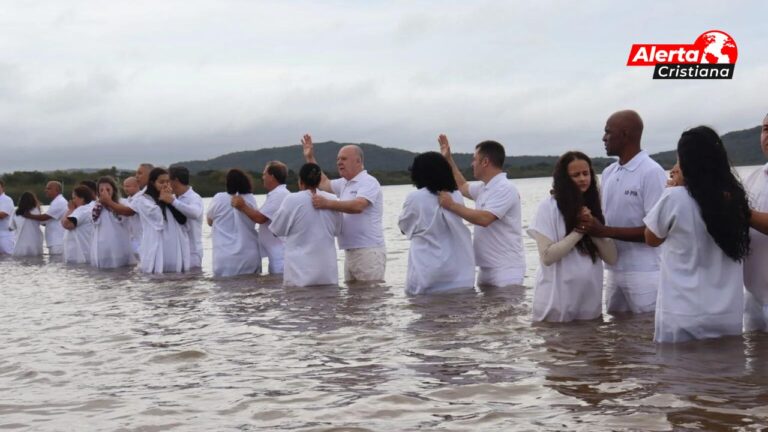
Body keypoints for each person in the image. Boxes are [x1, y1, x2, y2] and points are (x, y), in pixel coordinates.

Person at [644, 126, 750, 343]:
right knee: (725, 375)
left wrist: (672, 187)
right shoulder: (734, 198)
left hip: (683, 313)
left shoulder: (674, 198)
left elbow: (651, 238)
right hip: (727, 314)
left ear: (685, 162)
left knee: (681, 374)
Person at [585, 110, 667, 314]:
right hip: (613, 269)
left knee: (645, 338)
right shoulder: (609, 172)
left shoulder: (651, 172)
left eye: (608, 132)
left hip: (645, 272)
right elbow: (601, 217)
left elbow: (656, 231)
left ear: (625, 134)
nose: (603, 138)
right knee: (617, 336)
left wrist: (605, 231)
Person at [527, 152, 617, 322]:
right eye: (576, 175)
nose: (583, 179)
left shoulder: (595, 207)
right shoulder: (548, 208)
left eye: (586, 173)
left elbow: (611, 258)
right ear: (564, 179)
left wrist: (593, 226)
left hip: (589, 305)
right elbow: (547, 256)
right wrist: (579, 230)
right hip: (556, 304)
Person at [437, 135, 526, 287]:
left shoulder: (505, 188)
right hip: (486, 267)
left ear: (485, 162)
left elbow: (485, 219)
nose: (472, 164)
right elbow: (462, 186)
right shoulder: (485, 187)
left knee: (507, 311)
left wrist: (452, 206)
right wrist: (448, 159)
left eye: (474, 159)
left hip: (506, 269)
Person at [301, 135, 386, 282]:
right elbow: (323, 182)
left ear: (358, 161)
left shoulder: (368, 181)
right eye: (338, 159)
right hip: (350, 251)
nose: (339, 162)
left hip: (368, 250)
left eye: (344, 159)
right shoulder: (344, 183)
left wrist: (327, 203)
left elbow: (359, 205)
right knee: (351, 301)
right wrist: (310, 157)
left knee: (371, 300)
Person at [398, 152, 475, 295]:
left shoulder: (415, 197)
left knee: (426, 313)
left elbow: (404, 227)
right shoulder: (456, 195)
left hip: (427, 270)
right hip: (458, 271)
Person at [269, 163, 342, 287]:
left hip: (299, 275)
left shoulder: (292, 199)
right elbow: (338, 230)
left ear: (300, 181)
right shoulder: (332, 199)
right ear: (319, 181)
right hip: (327, 274)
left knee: (299, 305)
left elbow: (276, 230)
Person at [232, 161, 291, 274]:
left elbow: (260, 218)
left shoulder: (279, 195)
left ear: (272, 176)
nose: (262, 177)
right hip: (277, 253)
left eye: (264, 174)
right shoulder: (277, 194)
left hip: (281, 255)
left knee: (279, 289)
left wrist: (242, 205)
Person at [129, 167, 190, 274]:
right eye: (161, 182)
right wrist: (164, 200)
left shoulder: (172, 198)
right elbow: (157, 218)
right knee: (156, 277)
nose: (165, 185)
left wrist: (169, 201)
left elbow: (183, 219)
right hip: (156, 243)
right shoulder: (142, 200)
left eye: (167, 182)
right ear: (153, 183)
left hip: (173, 243)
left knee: (176, 278)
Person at [740, 113, 768, 332]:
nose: (767, 135)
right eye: (766, 129)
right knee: (753, 366)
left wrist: (739, 210)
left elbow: (742, 214)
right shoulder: (753, 177)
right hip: (753, 296)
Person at [206, 169, 262, 277]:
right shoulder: (250, 198)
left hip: (224, 257)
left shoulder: (219, 198)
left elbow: (209, 221)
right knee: (252, 291)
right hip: (249, 255)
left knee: (225, 291)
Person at [91, 176, 134, 268]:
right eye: (101, 190)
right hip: (102, 249)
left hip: (120, 247)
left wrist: (109, 203)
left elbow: (123, 217)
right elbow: (95, 222)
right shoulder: (95, 206)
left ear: (113, 190)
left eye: (107, 189)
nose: (104, 192)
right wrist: (102, 204)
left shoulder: (123, 203)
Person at [168, 166, 204, 269]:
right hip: (177, 251)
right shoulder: (173, 197)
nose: (167, 183)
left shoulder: (194, 197)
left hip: (192, 252)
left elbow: (195, 213)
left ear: (175, 180)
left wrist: (173, 202)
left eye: (168, 180)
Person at [22, 181, 68, 255]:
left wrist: (29, 215)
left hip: (58, 242)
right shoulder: (55, 202)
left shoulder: (59, 202)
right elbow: (46, 221)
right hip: (54, 241)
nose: (45, 190)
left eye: (49, 188)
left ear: (57, 190)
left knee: (57, 264)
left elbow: (45, 217)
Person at [62, 186, 96, 264]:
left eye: (74, 198)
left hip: (79, 256)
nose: (72, 201)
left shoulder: (82, 210)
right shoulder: (92, 207)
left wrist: (70, 210)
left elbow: (66, 224)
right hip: (87, 253)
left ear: (82, 199)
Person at [10, 191, 44, 256]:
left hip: (20, 244)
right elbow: (42, 222)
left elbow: (11, 227)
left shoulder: (16, 212)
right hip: (35, 243)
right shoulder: (36, 210)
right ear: (33, 200)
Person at [122, 176, 143, 256]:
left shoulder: (141, 199)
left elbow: (128, 211)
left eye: (128, 186)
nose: (125, 188)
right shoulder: (127, 200)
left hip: (140, 239)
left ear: (136, 186)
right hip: (131, 239)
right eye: (124, 186)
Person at [0, 180, 15, 254]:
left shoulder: (6, 200)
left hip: (5, 236)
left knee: (8, 259)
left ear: (3, 188)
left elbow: (2, 215)